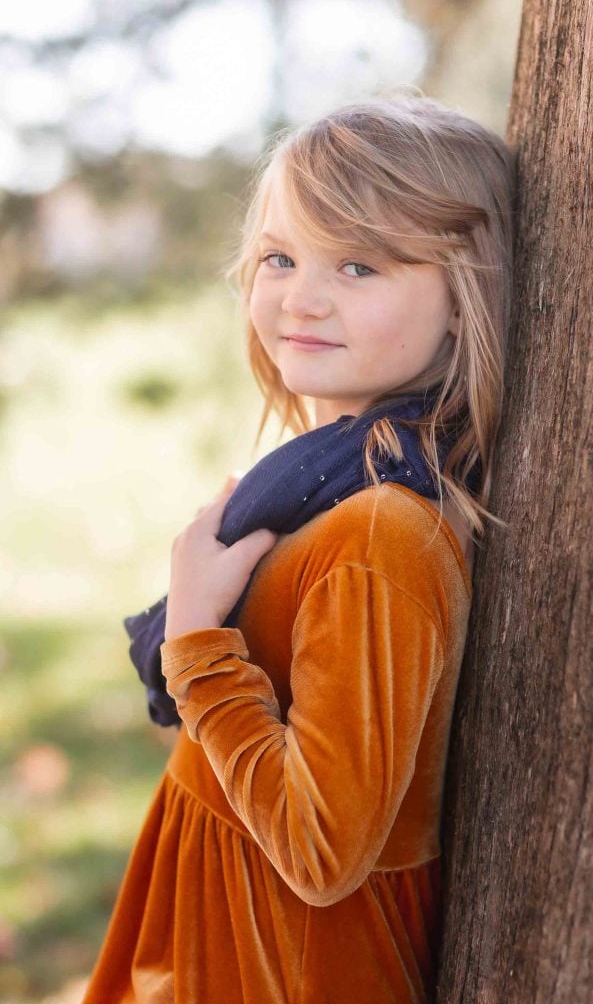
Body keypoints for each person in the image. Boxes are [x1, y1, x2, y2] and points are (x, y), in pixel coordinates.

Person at [83, 93, 515, 1003]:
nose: (302, 297)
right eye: (281, 257)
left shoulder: (380, 536)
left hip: (282, 965)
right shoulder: (327, 486)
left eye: (359, 265)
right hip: (224, 943)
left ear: (459, 299)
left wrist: (196, 641)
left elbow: (322, 849)